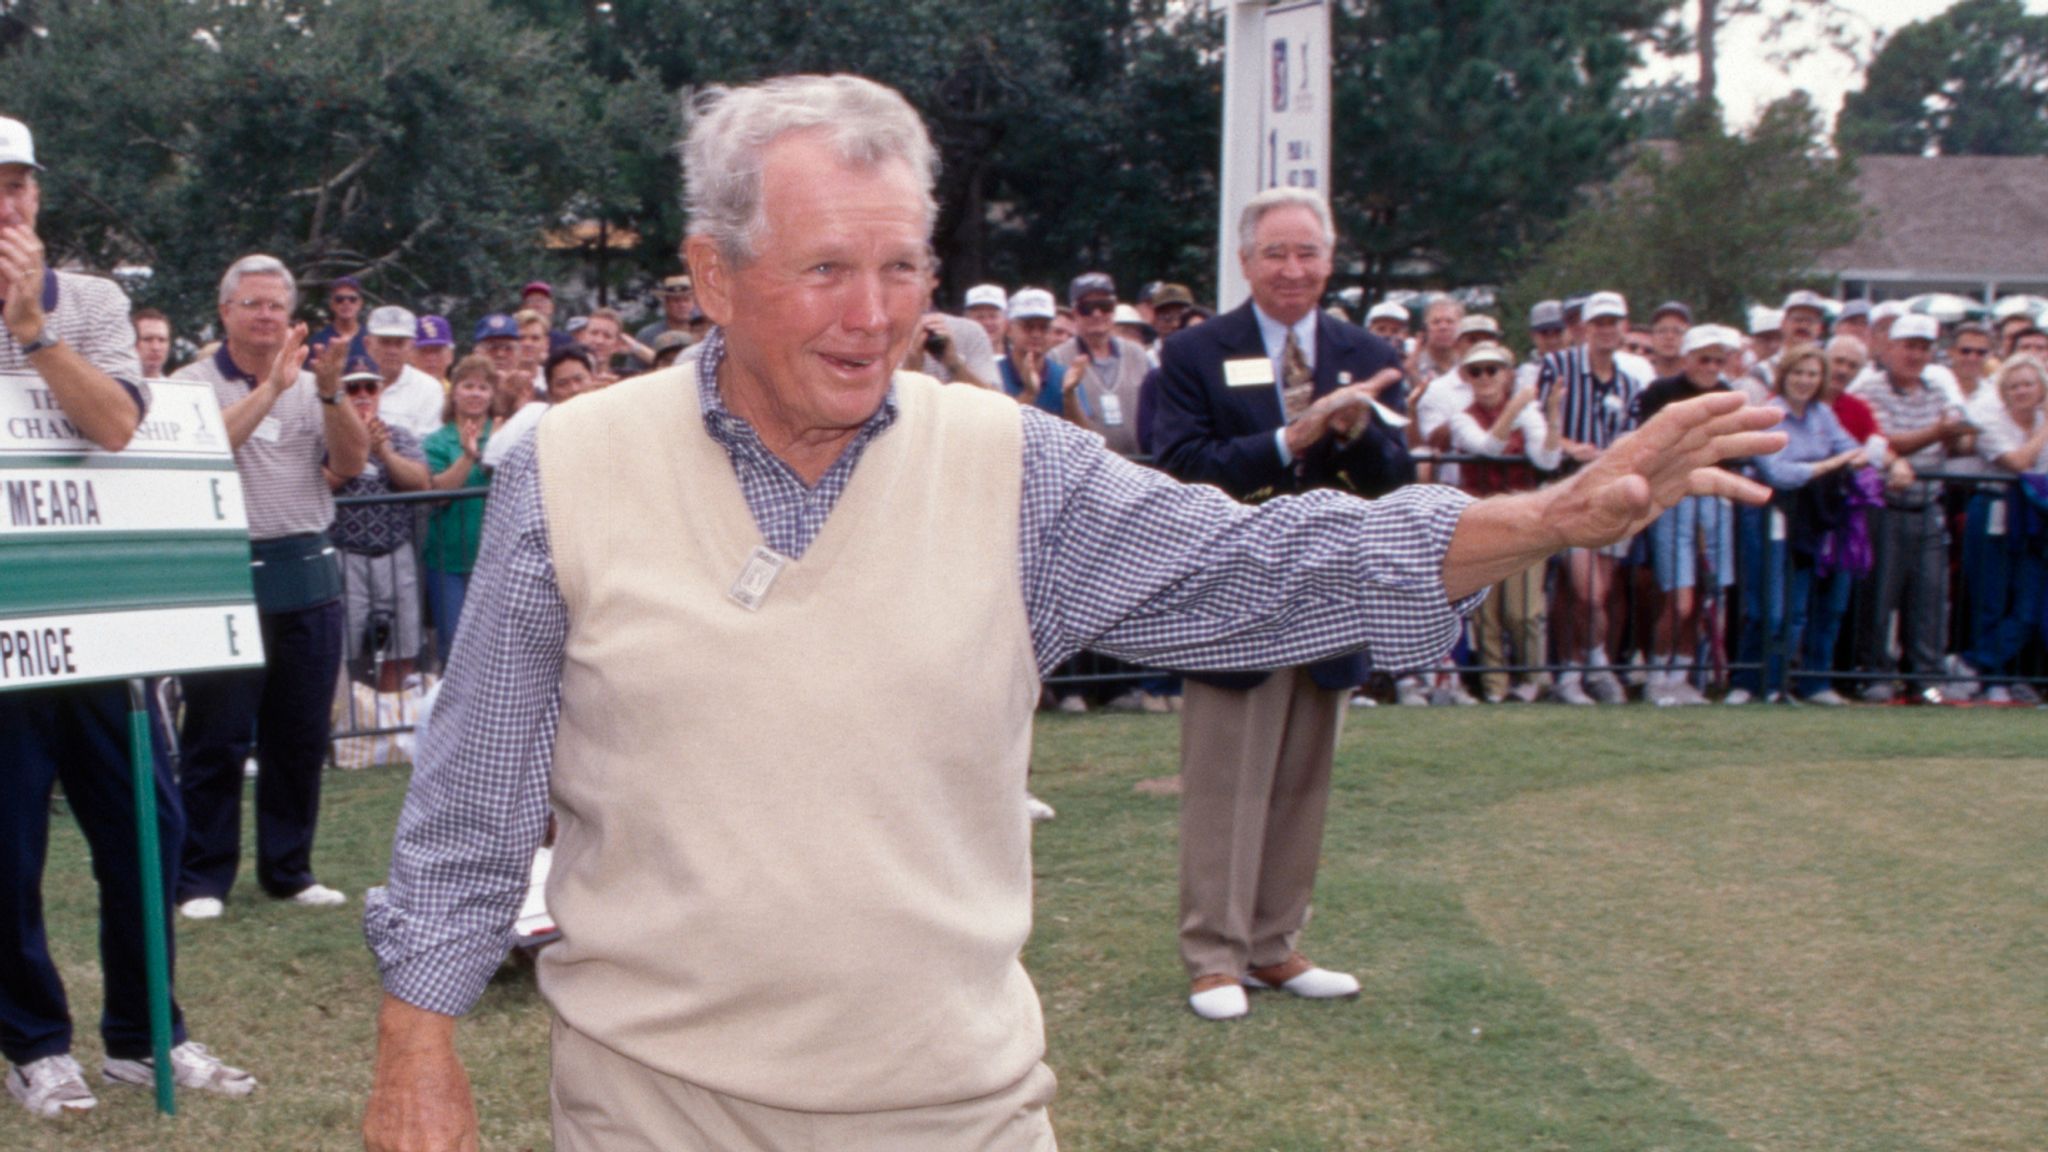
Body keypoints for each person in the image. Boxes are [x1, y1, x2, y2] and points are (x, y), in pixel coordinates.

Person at [359, 75, 1780, 1151]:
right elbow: (478, 789)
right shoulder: (572, 467)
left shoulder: (1010, 465)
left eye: (903, 267)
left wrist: (1541, 521)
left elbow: (1258, 573)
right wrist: (418, 1040)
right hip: (656, 1114)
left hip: (955, 1111)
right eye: (825, 272)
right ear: (716, 274)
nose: (874, 313)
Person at [0, 114, 256, 1118]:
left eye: (19, 185)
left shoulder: (96, 301)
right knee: (10, 847)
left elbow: (115, 423)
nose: (8, 205)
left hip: (102, 609)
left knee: (146, 827)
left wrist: (31, 330)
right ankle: (36, 1045)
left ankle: (146, 1036)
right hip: (7, 629)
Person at [1151, 185, 1422, 1018]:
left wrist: (1360, 432)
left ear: (1330, 259)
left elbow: (1398, 481)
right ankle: (1214, 954)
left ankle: (1273, 945)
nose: (1293, 268)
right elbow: (1180, 464)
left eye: (1308, 252)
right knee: (1229, 772)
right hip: (1236, 591)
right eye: (1276, 253)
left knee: (1304, 773)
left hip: (1332, 590)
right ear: (1245, 262)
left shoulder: (1364, 350)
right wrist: (1290, 438)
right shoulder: (1196, 352)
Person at [173, 254, 369, 919]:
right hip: (227, 575)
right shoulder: (192, 383)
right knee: (217, 737)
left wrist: (331, 392)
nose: (265, 315)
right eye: (252, 304)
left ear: (292, 316)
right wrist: (272, 386)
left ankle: (289, 868)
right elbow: (208, 448)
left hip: (308, 573)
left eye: (276, 306)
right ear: (226, 311)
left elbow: (349, 463)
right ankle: (202, 877)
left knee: (299, 734)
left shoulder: (315, 384)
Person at [1848, 313, 1971, 702]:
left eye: (1923, 347)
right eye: (1909, 346)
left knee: (1930, 596)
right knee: (1880, 594)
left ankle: (1926, 678)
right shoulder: (1870, 388)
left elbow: (1954, 443)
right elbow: (1883, 442)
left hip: (1927, 502)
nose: (1915, 354)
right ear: (1889, 348)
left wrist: (1958, 437)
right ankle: (1876, 674)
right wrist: (1937, 432)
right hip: (1885, 505)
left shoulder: (1936, 389)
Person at [1538, 290, 1648, 704]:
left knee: (1587, 590)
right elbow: (1540, 427)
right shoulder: (1557, 367)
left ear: (1623, 327)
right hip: (1566, 489)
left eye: (1612, 322)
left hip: (1609, 495)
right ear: (1585, 327)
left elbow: (1633, 439)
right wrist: (1570, 446)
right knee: (1587, 589)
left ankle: (1574, 668)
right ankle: (1591, 663)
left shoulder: (1630, 382)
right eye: (1598, 322)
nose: (1606, 330)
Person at [1752, 343, 1874, 705]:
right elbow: (1777, 471)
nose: (1805, 381)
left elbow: (1854, 449)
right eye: (1798, 372)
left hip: (1817, 519)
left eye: (1812, 374)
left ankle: (1807, 683)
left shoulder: (1823, 414)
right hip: (1775, 517)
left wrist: (1846, 459)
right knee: (1775, 609)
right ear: (1784, 375)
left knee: (1811, 607)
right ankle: (1764, 683)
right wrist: (1822, 467)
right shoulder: (1769, 414)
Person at [1632, 325, 1740, 706]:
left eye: (1717, 359)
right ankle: (1658, 675)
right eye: (1703, 358)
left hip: (1713, 498)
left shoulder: (1728, 395)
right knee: (1678, 599)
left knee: (1706, 593)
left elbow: (1734, 450)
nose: (1711, 366)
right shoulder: (1660, 393)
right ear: (1687, 358)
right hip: (1673, 498)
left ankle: (1682, 675)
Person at [1446, 342, 1560, 702]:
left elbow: (1547, 460)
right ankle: (1495, 687)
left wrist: (1553, 416)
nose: (1484, 378)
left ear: (1507, 374)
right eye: (1475, 371)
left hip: (1523, 519)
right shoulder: (1462, 417)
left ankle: (1533, 679)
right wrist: (1515, 406)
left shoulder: (1528, 414)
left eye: (1492, 369)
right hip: (1479, 522)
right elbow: (1487, 447)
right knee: (1487, 613)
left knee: (1522, 610)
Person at [328, 356, 431, 690]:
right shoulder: (326, 435)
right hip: (346, 554)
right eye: (352, 387)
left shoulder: (398, 434)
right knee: (339, 648)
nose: (362, 394)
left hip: (394, 552)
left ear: (380, 391)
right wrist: (355, 450)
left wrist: (384, 451)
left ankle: (391, 724)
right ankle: (342, 728)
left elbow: (420, 481)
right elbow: (320, 482)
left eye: (369, 386)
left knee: (402, 645)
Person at [1951, 354, 2048, 703]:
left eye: (2028, 384)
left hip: (2035, 519)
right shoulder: (1991, 422)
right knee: (1989, 601)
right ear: (2003, 392)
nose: (2022, 391)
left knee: (2028, 606)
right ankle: (1994, 678)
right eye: (2014, 385)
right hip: (1994, 510)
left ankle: (1974, 663)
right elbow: (2018, 463)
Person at [419, 355, 496, 669]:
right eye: (468, 385)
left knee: (495, 646)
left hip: (495, 559)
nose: (476, 393)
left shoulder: (506, 432)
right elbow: (438, 495)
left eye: (483, 386)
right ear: (454, 393)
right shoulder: (437, 441)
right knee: (454, 646)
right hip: (447, 559)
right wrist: (467, 456)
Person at [1049, 272, 1150, 456]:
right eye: (1087, 308)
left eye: (1104, 306)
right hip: (1084, 466)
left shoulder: (1138, 355)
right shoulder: (1057, 358)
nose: (1097, 314)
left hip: (1140, 464)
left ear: (1114, 309)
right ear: (1074, 313)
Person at [363, 305, 445, 439]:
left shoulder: (429, 388)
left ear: (411, 346)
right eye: (385, 342)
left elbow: (424, 448)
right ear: (367, 344)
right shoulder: (348, 383)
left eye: (399, 343)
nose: (392, 350)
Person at [308, 274, 368, 360]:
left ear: (360, 303)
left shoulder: (371, 339)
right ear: (332, 304)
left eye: (352, 299)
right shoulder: (318, 341)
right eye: (339, 299)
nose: (346, 303)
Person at [634, 273, 696, 349]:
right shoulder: (648, 335)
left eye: (686, 300)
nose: (682, 305)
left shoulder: (706, 332)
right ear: (666, 304)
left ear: (694, 303)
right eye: (676, 301)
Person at [409, 315, 455, 385]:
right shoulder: (396, 394)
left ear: (450, 356)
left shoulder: (456, 395)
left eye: (437, 351)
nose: (431, 358)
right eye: (424, 351)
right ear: (411, 356)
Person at [133, 306, 172, 377]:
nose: (155, 347)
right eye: (147, 339)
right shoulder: (113, 385)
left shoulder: (174, 387)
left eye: (162, 340)